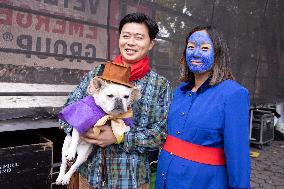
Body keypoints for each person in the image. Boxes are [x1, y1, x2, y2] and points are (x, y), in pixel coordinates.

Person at [59, 12, 172, 189]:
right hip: (89, 178)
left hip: (131, 181)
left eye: (139, 37)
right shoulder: (99, 73)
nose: (131, 42)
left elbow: (162, 134)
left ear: (151, 44)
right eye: (126, 36)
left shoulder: (159, 85)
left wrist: (120, 137)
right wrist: (84, 129)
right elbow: (67, 112)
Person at [155, 26, 250, 189]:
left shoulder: (233, 94)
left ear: (218, 54)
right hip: (166, 179)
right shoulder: (179, 91)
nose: (196, 53)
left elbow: (238, 156)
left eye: (204, 48)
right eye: (190, 47)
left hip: (204, 182)